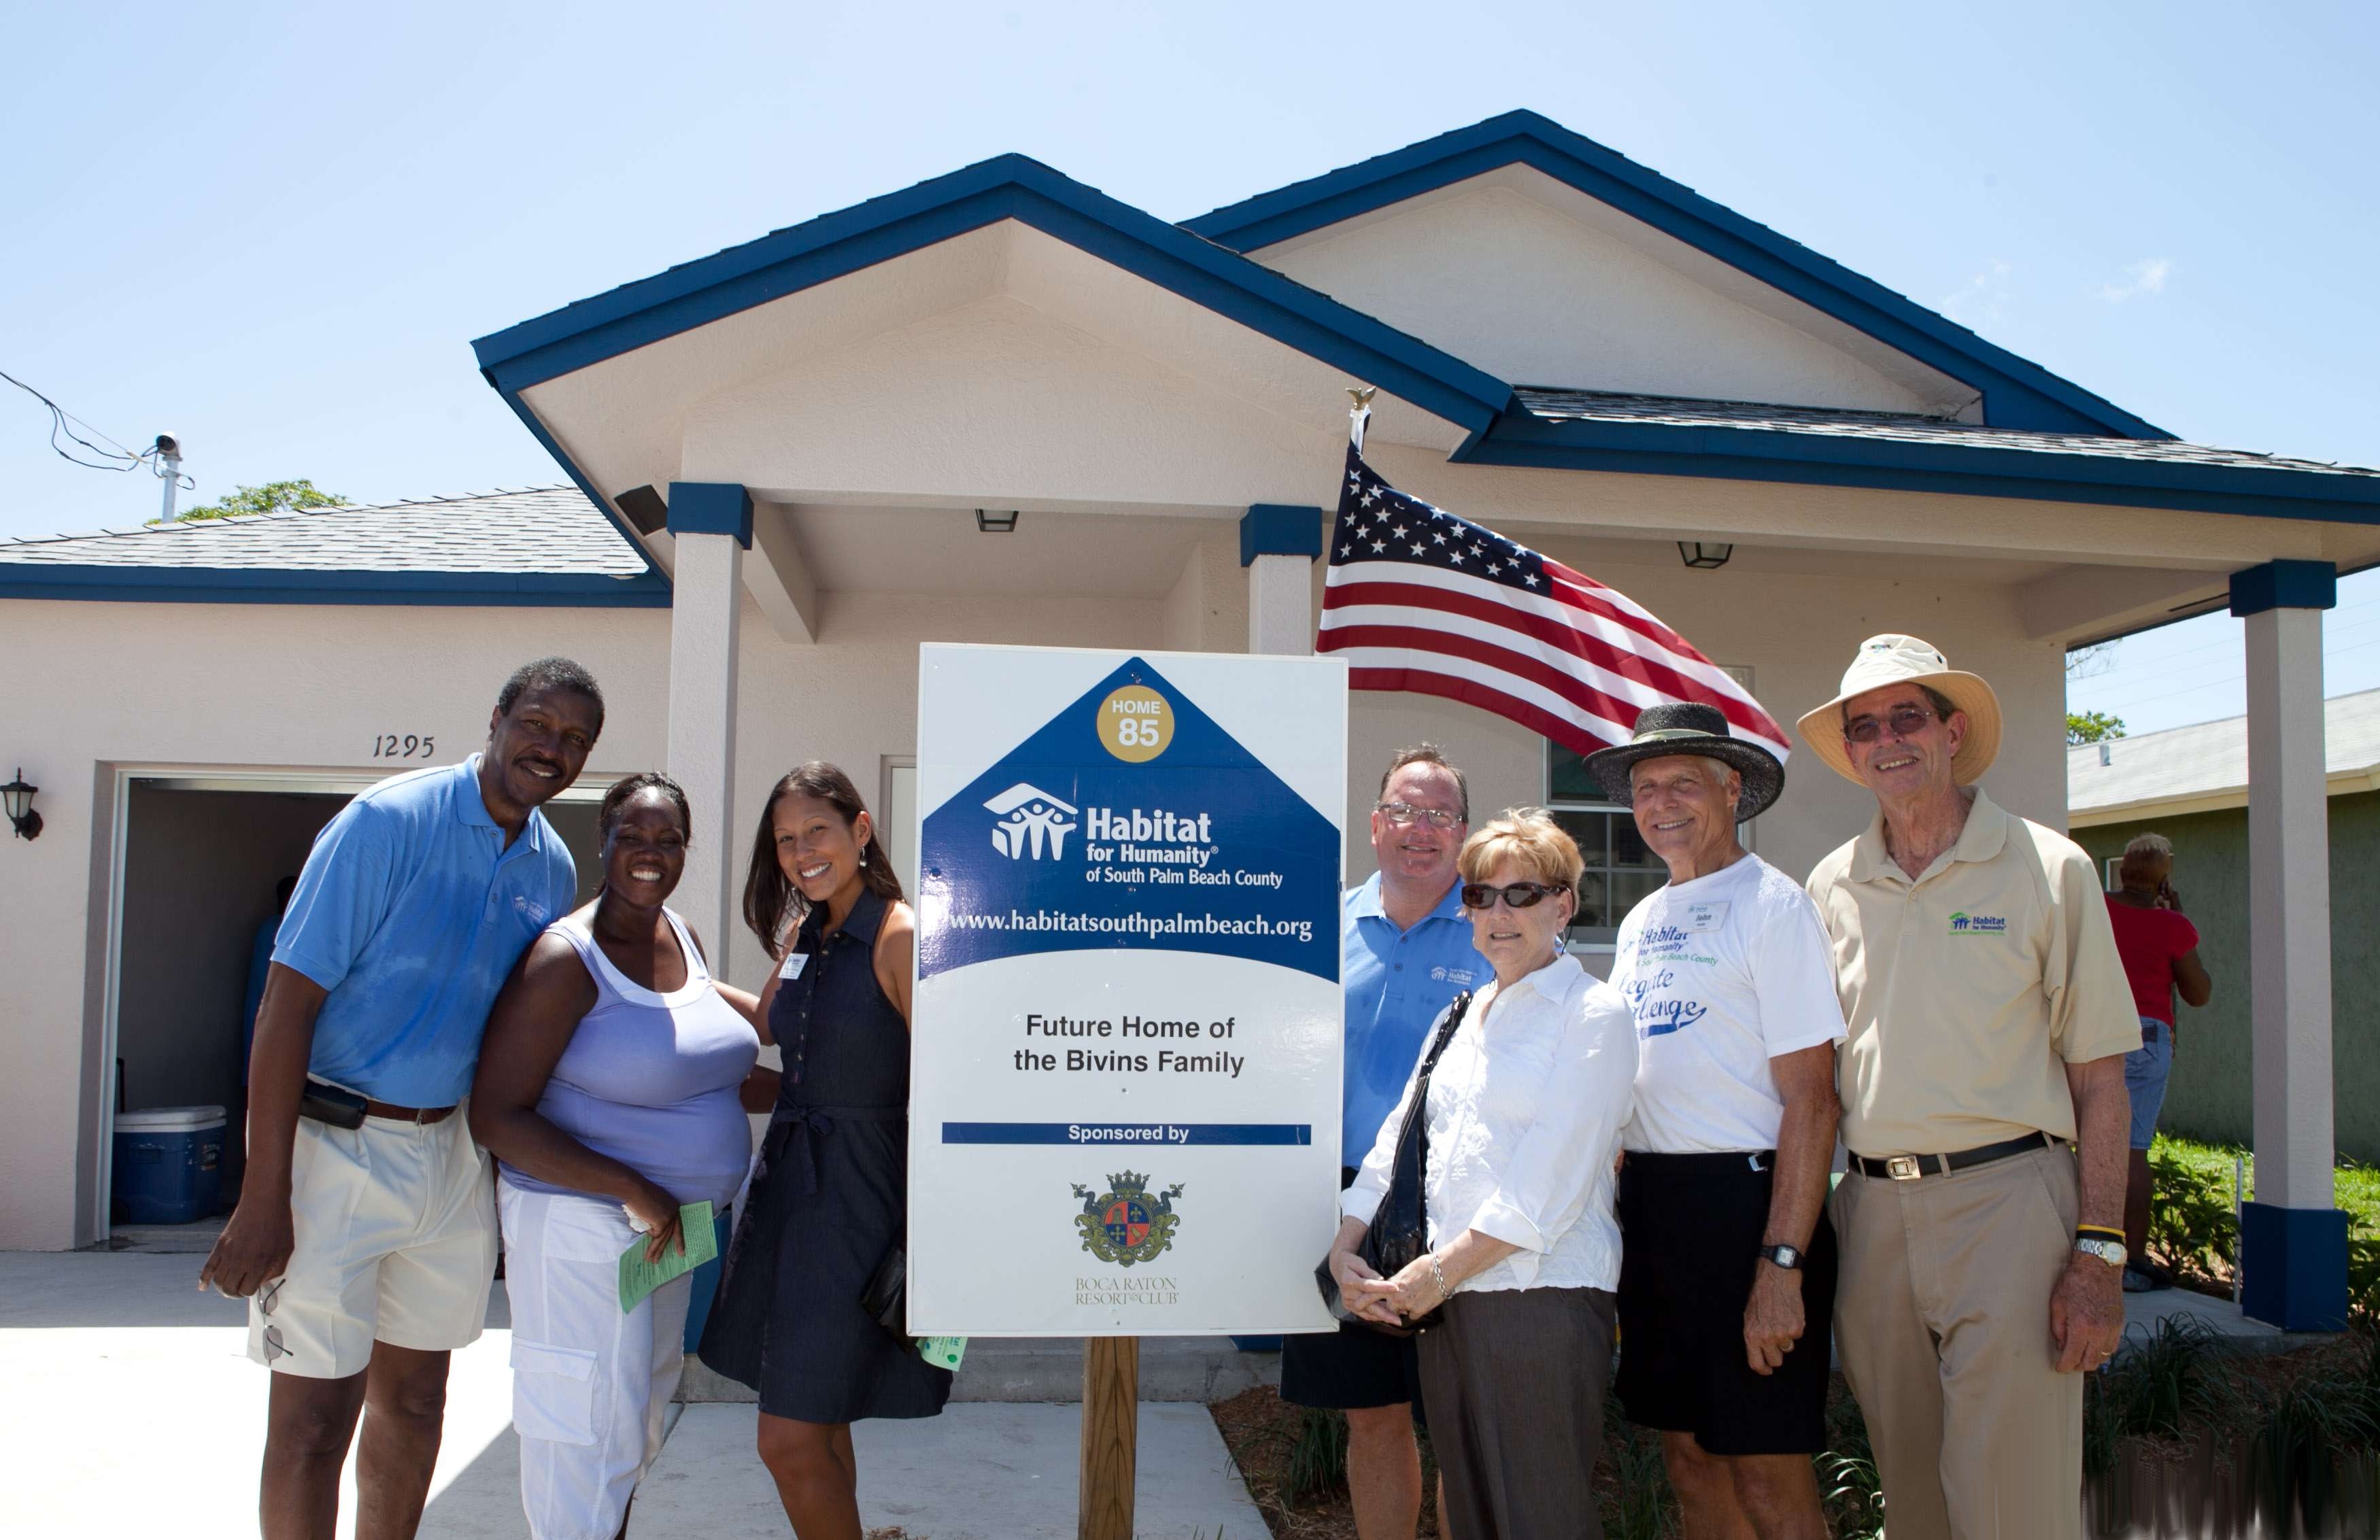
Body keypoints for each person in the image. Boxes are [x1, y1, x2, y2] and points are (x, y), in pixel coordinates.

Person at [199, 657, 605, 1540]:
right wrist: (263, 1195)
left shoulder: (551, 867)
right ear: (497, 717)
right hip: (331, 1144)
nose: (553, 747)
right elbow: (286, 1004)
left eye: (575, 740)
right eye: (538, 723)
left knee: (418, 1402)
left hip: (451, 1159)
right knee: (312, 1421)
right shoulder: (387, 822)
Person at [1798, 635, 2139, 1540]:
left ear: (1952, 732)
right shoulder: (1831, 884)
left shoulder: (2049, 867)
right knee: (1914, 1499)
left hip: (2010, 1204)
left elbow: (2102, 1079)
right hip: (1870, 1212)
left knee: (2011, 1504)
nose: (1886, 738)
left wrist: (2100, 1255)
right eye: (1864, 726)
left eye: (1907, 715)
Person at [470, 774, 769, 1540]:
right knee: (582, 1421)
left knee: (634, 1414)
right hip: (581, 1223)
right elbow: (496, 1114)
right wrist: (631, 1187)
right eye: (633, 836)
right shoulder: (567, 960)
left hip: (673, 1229)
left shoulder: (680, 935)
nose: (650, 853)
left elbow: (725, 1058)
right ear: (601, 841)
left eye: (667, 840)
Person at [1330, 808, 1637, 1540]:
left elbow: (1547, 1184)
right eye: (1479, 895)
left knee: (1540, 1518)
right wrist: (1345, 1247)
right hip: (1449, 1305)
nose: (1497, 913)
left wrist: (1433, 1277)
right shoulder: (1458, 1017)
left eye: (1521, 894)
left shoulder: (1593, 1014)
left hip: (1539, 1300)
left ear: (1562, 904)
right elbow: (1394, 1148)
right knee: (1470, 1518)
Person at [1587, 704, 1846, 1540]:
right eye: (1644, 788)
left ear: (1732, 790)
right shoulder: (1639, 923)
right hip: (1657, 1211)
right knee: (1688, 1459)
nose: (1660, 803)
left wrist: (1781, 1266)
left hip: (1752, 1208)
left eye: (1681, 784)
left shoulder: (1773, 907)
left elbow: (1813, 1097)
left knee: (1766, 1469)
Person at [699, 762, 949, 1540]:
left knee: (787, 1435)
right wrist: (670, 974)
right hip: (790, 1192)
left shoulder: (899, 934)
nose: (801, 851)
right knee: (819, 1417)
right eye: (784, 840)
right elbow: (768, 1022)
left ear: (861, 831)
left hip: (860, 1201)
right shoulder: (810, 929)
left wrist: (936, 1224)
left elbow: (949, 1084)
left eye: (817, 831)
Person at [1282, 743, 1486, 1540]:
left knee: (1456, 1421)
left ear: (1463, 832)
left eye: (1440, 814)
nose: (1420, 829)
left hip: (1455, 1204)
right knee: (1372, 1415)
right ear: (1374, 825)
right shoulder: (1319, 926)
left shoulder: (1493, 927)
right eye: (1404, 810)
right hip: (1344, 1208)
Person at [2103, 832, 2215, 1292]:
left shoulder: (2099, 908)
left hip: (2096, 1033)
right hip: (2147, 1038)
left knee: (2082, 1142)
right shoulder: (2171, 926)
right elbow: (2198, 993)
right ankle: (2129, 1261)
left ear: (2123, 870)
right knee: (2132, 1150)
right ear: (2164, 878)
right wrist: (2178, 917)